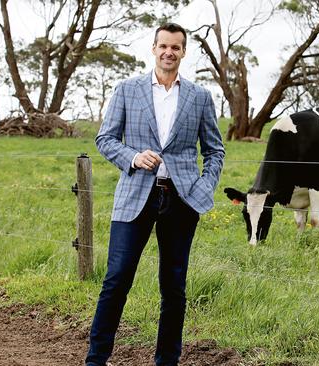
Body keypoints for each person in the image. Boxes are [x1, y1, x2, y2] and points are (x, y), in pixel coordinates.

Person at [85, 23, 225, 366]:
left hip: (181, 200)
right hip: (135, 196)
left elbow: (215, 150)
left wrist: (203, 187)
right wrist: (132, 157)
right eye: (163, 46)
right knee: (116, 280)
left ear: (183, 52)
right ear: (153, 48)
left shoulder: (199, 96)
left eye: (176, 47)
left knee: (174, 287)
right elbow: (105, 139)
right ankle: (96, 359)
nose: (168, 52)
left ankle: (167, 361)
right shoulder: (126, 90)